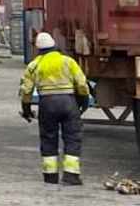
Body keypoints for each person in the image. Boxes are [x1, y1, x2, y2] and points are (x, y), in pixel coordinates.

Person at [19, 31, 89, 186]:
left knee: (48, 138)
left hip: (47, 105)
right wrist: (83, 102)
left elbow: (26, 90)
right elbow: (82, 84)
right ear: (54, 46)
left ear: (38, 49)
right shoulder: (67, 61)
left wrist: (26, 110)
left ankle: (50, 177)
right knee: (72, 137)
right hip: (68, 102)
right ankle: (71, 175)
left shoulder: (34, 65)